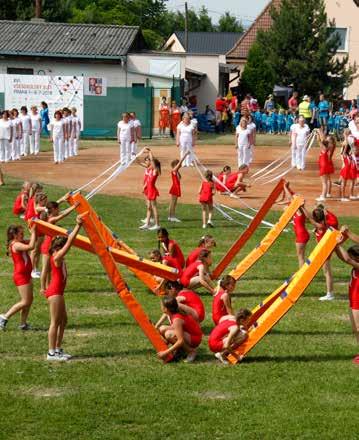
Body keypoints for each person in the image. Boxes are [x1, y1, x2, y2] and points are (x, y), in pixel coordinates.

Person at [45, 216, 83, 361]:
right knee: (55, 322)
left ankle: (58, 349)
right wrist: (77, 226)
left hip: (58, 292)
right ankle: (51, 353)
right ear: (57, 248)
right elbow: (70, 242)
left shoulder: (58, 256)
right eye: (63, 247)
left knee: (63, 321)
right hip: (55, 292)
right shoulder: (57, 256)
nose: (65, 250)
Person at [0, 225, 36, 330]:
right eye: (21, 233)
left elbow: (34, 241)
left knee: (29, 300)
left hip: (26, 274)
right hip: (21, 276)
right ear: (15, 235)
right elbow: (31, 247)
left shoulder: (20, 241)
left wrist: (35, 231)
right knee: (25, 301)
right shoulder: (16, 245)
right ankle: (4, 317)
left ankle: (23, 324)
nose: (23, 235)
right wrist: (33, 233)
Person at [40, 201, 77, 294]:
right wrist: (74, 207)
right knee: (45, 268)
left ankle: (48, 285)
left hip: (50, 244)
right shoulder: (51, 219)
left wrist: (73, 207)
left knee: (49, 268)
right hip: (47, 245)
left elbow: (62, 213)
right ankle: (42, 288)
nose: (59, 210)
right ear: (53, 209)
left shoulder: (50, 217)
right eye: (57, 209)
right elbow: (62, 215)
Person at [302, 204, 338, 301]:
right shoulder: (325, 224)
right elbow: (334, 220)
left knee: (327, 272)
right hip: (323, 250)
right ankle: (329, 293)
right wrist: (325, 211)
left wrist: (302, 207)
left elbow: (309, 218)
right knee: (326, 271)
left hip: (324, 251)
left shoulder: (321, 226)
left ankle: (330, 294)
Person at [335, 235, 359, 364]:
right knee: (355, 328)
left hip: (358, 304)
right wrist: (335, 248)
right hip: (353, 302)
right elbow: (344, 258)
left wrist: (338, 244)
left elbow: (348, 259)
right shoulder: (355, 266)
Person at [157, 296, 202, 362]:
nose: (160, 306)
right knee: (162, 328)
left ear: (166, 309)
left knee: (169, 334)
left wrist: (165, 352)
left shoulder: (177, 319)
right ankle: (180, 350)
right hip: (189, 334)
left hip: (195, 338)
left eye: (161, 305)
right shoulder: (173, 313)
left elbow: (180, 341)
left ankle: (191, 351)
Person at [282, 183, 309, 267]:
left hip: (301, 236)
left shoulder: (299, 210)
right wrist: (287, 188)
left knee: (300, 257)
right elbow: (291, 198)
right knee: (301, 256)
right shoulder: (297, 210)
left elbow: (291, 198)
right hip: (302, 234)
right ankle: (302, 273)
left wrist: (285, 187)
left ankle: (302, 275)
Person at [139, 149, 161, 230]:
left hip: (152, 191)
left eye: (152, 163)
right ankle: (147, 224)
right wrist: (144, 187)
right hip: (149, 190)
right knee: (149, 208)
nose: (150, 164)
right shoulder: (151, 170)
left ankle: (157, 225)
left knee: (154, 208)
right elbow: (147, 181)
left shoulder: (155, 170)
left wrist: (150, 152)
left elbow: (152, 160)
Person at [168, 152, 189, 222]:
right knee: (173, 203)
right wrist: (185, 155)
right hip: (175, 188)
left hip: (175, 187)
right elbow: (180, 162)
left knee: (173, 203)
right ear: (175, 165)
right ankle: (172, 216)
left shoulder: (177, 172)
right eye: (178, 164)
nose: (180, 165)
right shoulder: (174, 170)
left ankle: (170, 216)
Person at [316, 129, 335, 201]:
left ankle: (323, 196)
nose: (326, 139)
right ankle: (326, 194)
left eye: (327, 139)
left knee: (324, 182)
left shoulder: (324, 148)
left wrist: (318, 134)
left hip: (323, 165)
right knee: (327, 180)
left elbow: (320, 140)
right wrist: (319, 132)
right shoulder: (331, 146)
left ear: (329, 141)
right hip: (326, 164)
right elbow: (322, 139)